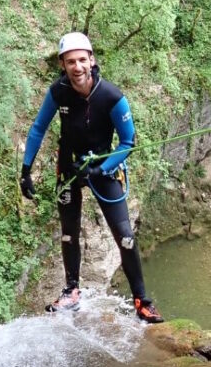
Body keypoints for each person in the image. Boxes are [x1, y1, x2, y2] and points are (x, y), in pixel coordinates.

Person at [19, 32, 164, 323]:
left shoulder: (111, 96)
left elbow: (128, 142)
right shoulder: (58, 91)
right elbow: (38, 128)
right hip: (69, 169)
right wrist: (25, 169)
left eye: (82, 60)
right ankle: (71, 291)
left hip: (102, 167)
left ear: (92, 61)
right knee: (69, 233)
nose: (77, 67)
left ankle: (142, 300)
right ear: (63, 64)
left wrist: (102, 168)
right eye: (71, 61)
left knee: (125, 237)